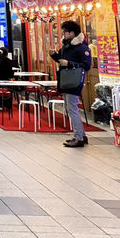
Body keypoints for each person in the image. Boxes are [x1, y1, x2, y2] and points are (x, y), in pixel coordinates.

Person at [49, 20, 92, 148]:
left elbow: (86, 65)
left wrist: (69, 64)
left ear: (72, 33)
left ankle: (78, 138)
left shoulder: (82, 47)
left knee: (72, 109)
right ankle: (81, 135)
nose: (63, 34)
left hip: (75, 81)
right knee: (70, 108)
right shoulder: (66, 46)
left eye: (65, 32)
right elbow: (61, 60)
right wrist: (54, 56)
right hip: (66, 80)